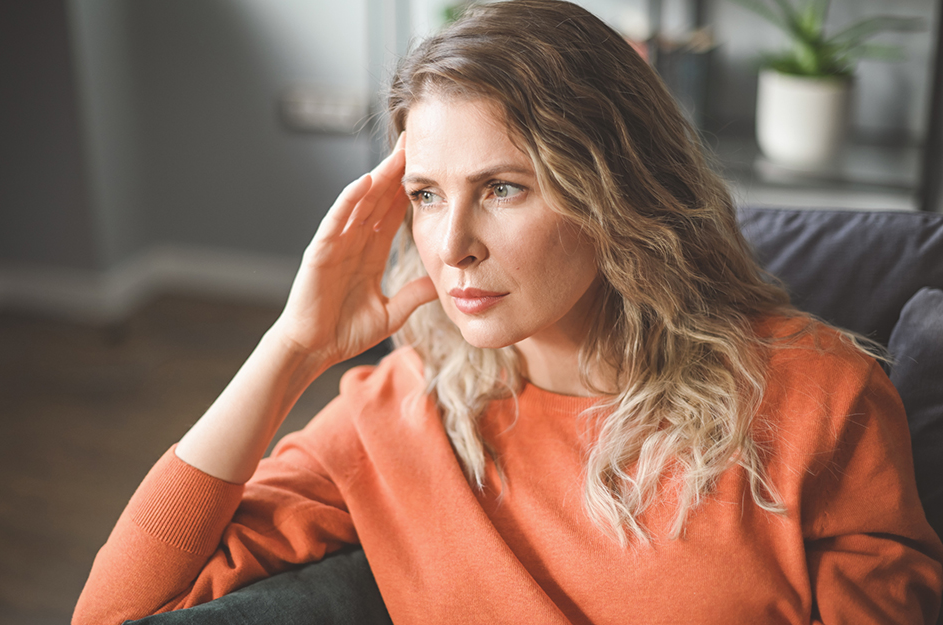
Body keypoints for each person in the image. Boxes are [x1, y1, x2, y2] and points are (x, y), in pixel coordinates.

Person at [73, 1, 943, 623]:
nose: (451, 245)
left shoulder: (821, 402)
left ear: (616, 191)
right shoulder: (399, 412)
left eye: (501, 188)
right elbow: (117, 609)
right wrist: (292, 348)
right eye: (425, 193)